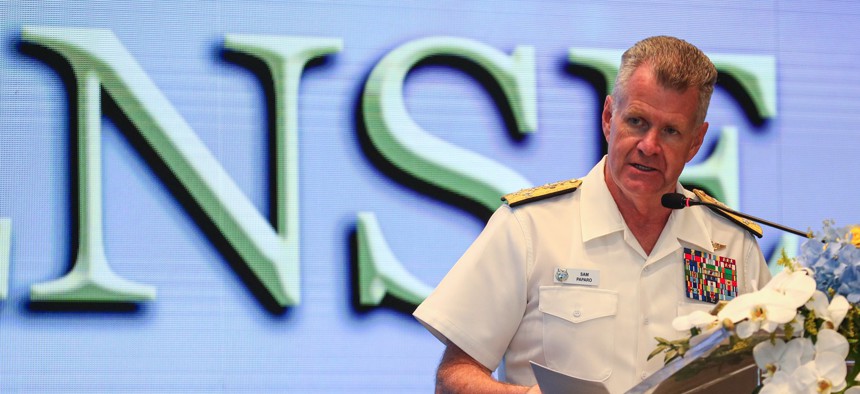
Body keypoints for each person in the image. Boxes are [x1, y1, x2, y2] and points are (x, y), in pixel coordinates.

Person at [412, 36, 772, 393]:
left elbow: (775, 372)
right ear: (608, 118)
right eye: (636, 122)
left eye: (671, 131)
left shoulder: (733, 245)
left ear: (695, 141)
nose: (649, 146)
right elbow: (454, 377)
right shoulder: (530, 227)